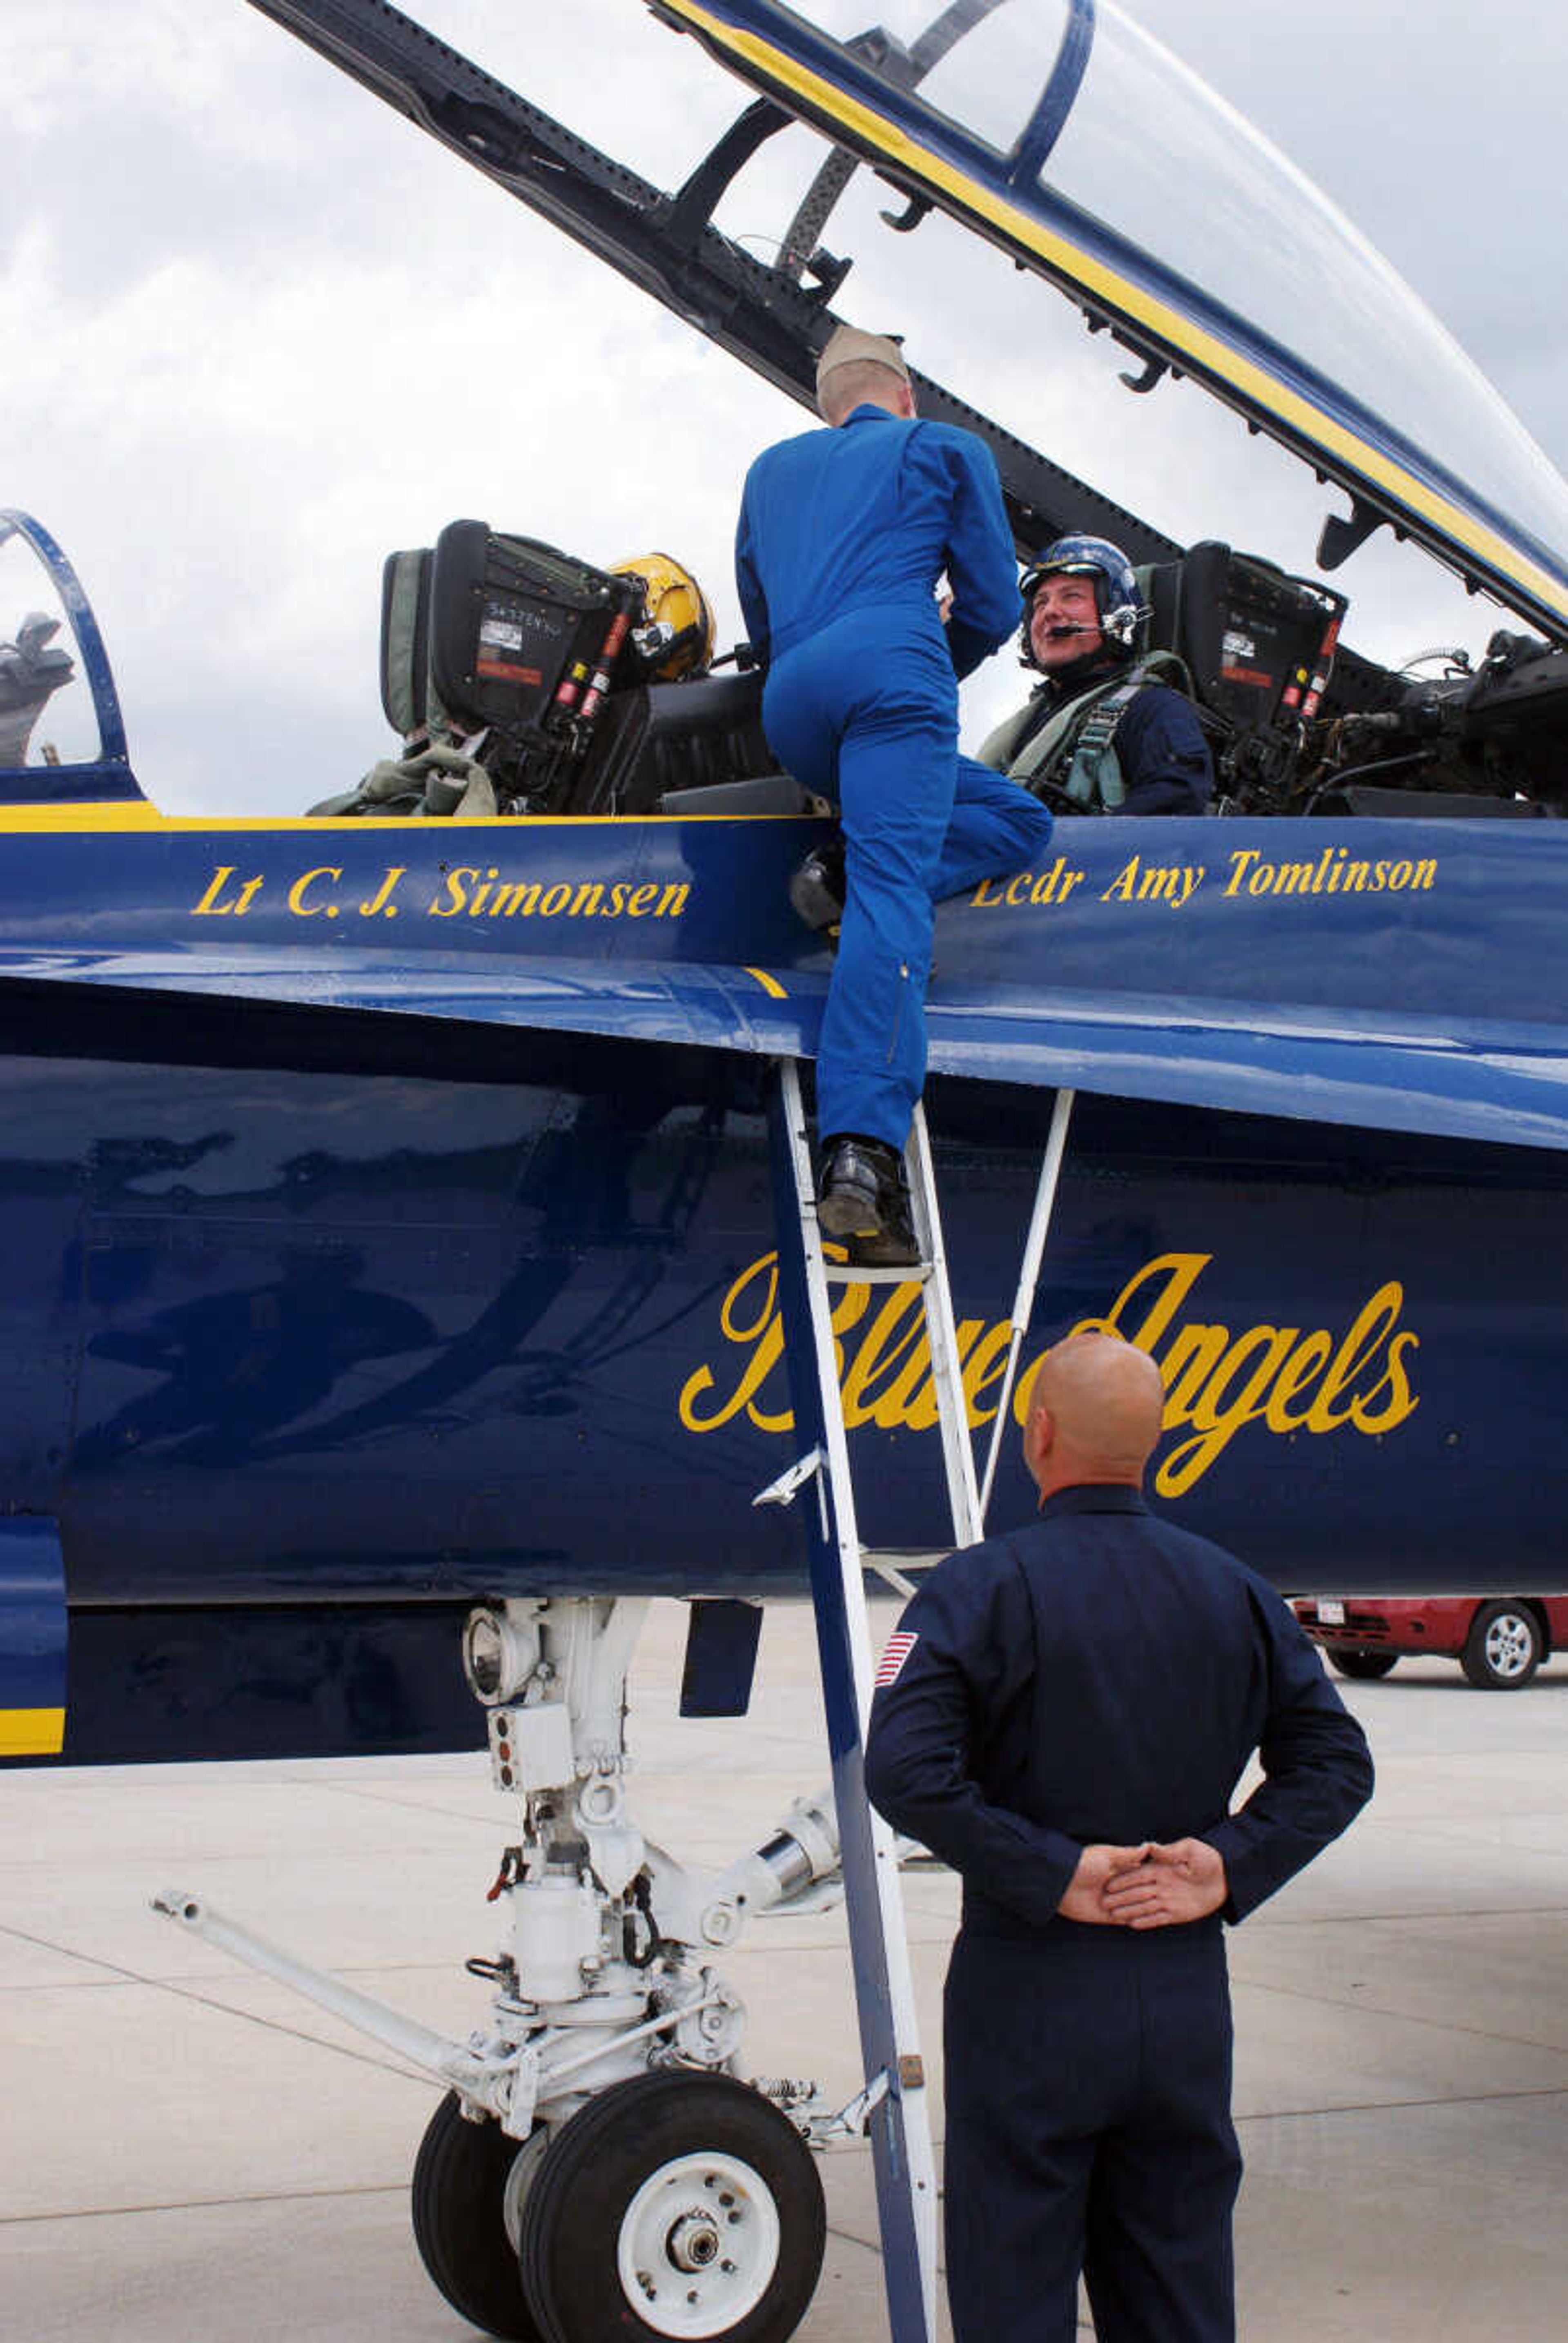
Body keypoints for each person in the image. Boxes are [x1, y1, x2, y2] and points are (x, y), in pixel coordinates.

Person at [864, 1330, 1373, 2342]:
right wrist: (1223, 1863)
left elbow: (903, 1769)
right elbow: (1335, 1763)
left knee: (1014, 2298)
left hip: (1028, 1994)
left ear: (1038, 1434)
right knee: (1178, 2300)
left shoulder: (975, 1588)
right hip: (1180, 1995)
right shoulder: (1234, 1589)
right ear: (1153, 1446)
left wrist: (1050, 1870)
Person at [735, 325, 1052, 1263]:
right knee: (893, 892)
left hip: (794, 703)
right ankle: (860, 1152)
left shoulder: (770, 469)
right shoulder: (942, 447)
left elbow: (759, 617)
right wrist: (925, 669)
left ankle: (830, 867)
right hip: (892, 681)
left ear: (827, 407)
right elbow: (995, 602)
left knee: (1015, 818)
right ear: (904, 395)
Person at [978, 534, 1214, 815]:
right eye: (1040, 603)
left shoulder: (1152, 709)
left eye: (1072, 596)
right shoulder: (1029, 725)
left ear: (1116, 612)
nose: (1050, 612)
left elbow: (1177, 807)